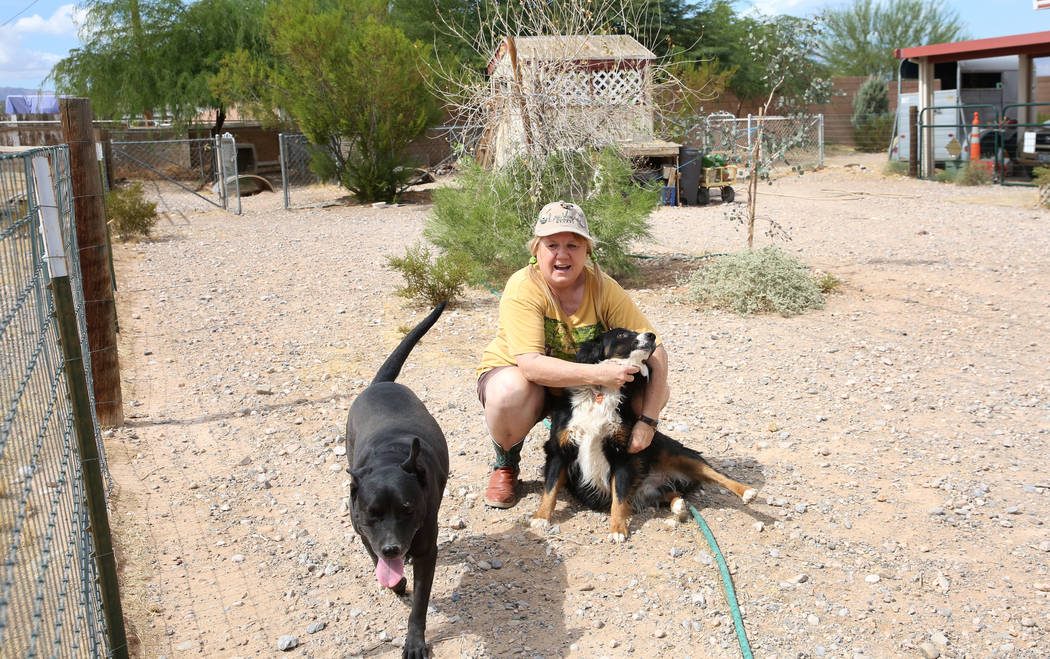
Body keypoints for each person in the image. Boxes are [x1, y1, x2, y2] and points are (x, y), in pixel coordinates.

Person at [476, 200, 670, 508]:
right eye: (552, 245)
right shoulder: (523, 287)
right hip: (528, 382)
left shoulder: (603, 287)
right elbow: (531, 366)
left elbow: (656, 349)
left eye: (573, 245)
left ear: (587, 251)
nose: (562, 255)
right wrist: (599, 375)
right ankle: (506, 463)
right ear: (536, 249)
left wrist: (648, 421)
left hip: (577, 390)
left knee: (650, 388)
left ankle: (618, 461)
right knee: (510, 391)